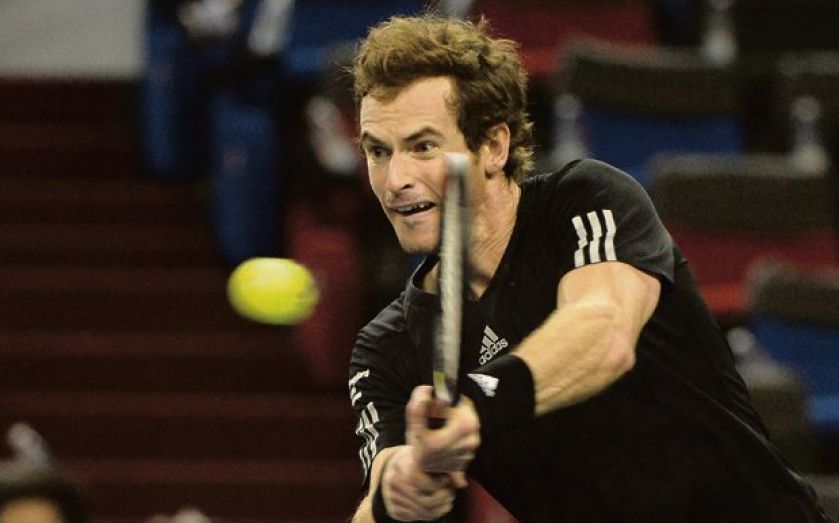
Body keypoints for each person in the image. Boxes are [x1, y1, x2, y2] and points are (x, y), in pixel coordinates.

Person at [346, 12, 832, 523]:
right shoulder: (388, 349)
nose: (394, 179)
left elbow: (604, 331)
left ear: (493, 146)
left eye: (423, 146)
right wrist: (396, 493)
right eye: (378, 151)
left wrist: (477, 403)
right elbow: (381, 488)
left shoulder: (586, 201)